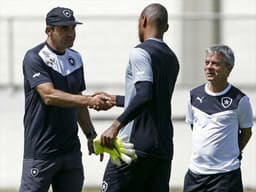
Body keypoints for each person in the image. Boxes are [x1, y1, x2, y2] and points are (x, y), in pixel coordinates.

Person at [19, 7, 109, 192]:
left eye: (72, 28)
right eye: (64, 29)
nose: (70, 34)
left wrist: (90, 135)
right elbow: (49, 96)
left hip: (70, 153)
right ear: (48, 30)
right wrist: (89, 100)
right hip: (41, 152)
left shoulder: (75, 58)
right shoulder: (34, 57)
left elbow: (77, 101)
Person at [98, 3, 180, 192]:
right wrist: (116, 100)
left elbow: (144, 94)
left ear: (143, 21)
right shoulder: (172, 58)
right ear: (166, 28)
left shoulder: (140, 51)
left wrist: (115, 126)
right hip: (163, 146)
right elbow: (153, 99)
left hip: (134, 147)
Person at [183, 44, 253, 192]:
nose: (209, 67)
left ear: (229, 68)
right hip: (195, 175)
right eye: (207, 62)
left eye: (215, 63)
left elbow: (247, 132)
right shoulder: (193, 96)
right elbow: (194, 127)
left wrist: (234, 153)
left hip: (226, 176)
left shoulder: (240, 100)